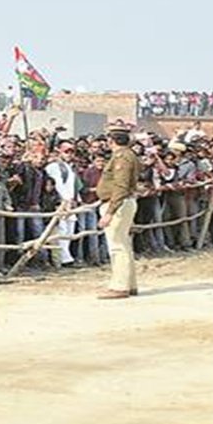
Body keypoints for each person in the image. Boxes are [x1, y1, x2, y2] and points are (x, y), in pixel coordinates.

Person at [94, 128, 139, 299]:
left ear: (111, 141)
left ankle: (120, 286)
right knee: (124, 245)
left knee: (117, 247)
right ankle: (129, 284)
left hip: (118, 204)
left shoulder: (122, 157)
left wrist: (110, 211)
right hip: (123, 202)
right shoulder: (129, 155)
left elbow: (121, 185)